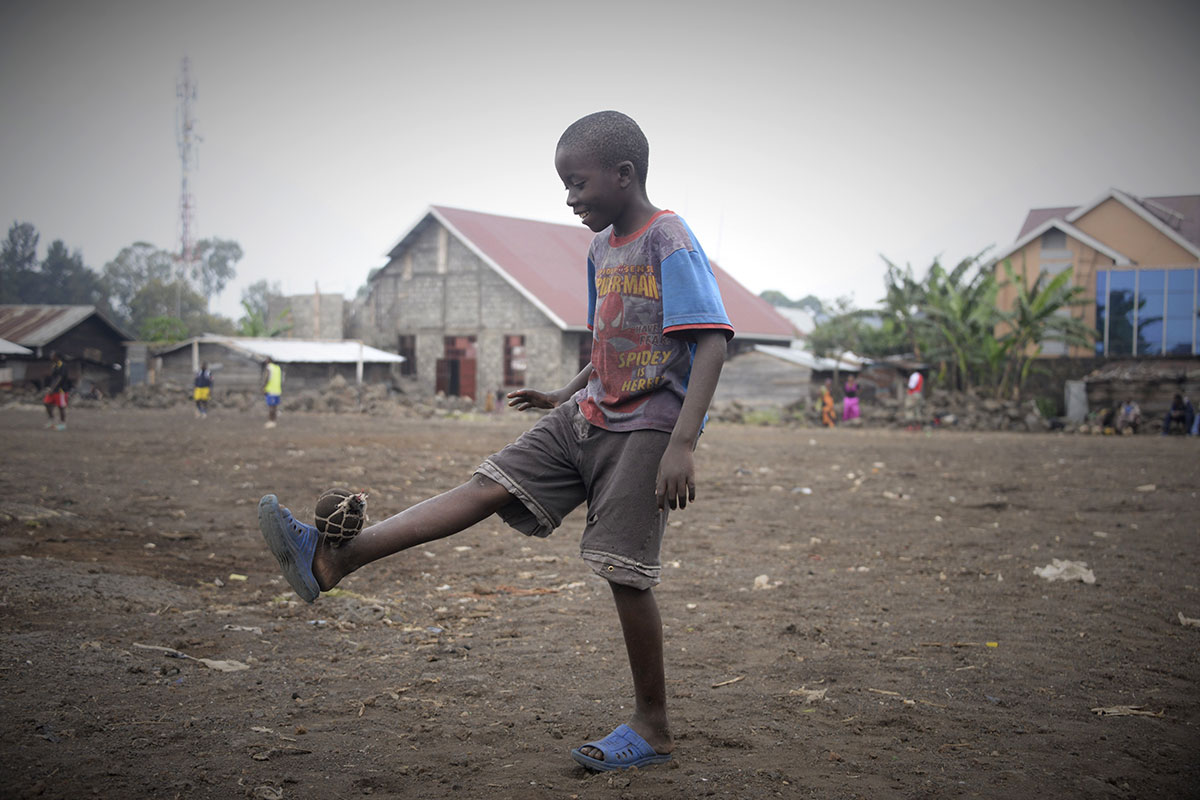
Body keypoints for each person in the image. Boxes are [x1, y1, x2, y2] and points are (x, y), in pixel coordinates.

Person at [256, 111, 732, 773]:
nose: (570, 198)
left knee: (625, 574)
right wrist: (562, 396)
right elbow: (613, 341)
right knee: (487, 484)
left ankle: (652, 725)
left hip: (648, 431)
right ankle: (334, 561)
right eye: (564, 184)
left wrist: (683, 443)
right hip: (587, 415)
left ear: (624, 175)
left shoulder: (667, 237)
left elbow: (710, 339)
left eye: (578, 182)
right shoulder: (601, 250)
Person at [42, 352, 70, 431]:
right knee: (47, 403)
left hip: (61, 390)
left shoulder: (62, 366)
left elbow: (59, 378)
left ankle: (62, 424)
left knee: (61, 407)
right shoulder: (54, 365)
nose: (50, 356)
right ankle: (51, 420)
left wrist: (52, 388)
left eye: (52, 355)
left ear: (57, 357)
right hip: (53, 390)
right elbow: (53, 378)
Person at [262, 357, 283, 428]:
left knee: (271, 407)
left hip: (271, 390)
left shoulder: (269, 368)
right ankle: (273, 421)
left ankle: (271, 421)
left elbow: (266, 378)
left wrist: (264, 387)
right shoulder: (277, 368)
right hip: (277, 390)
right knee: (274, 407)